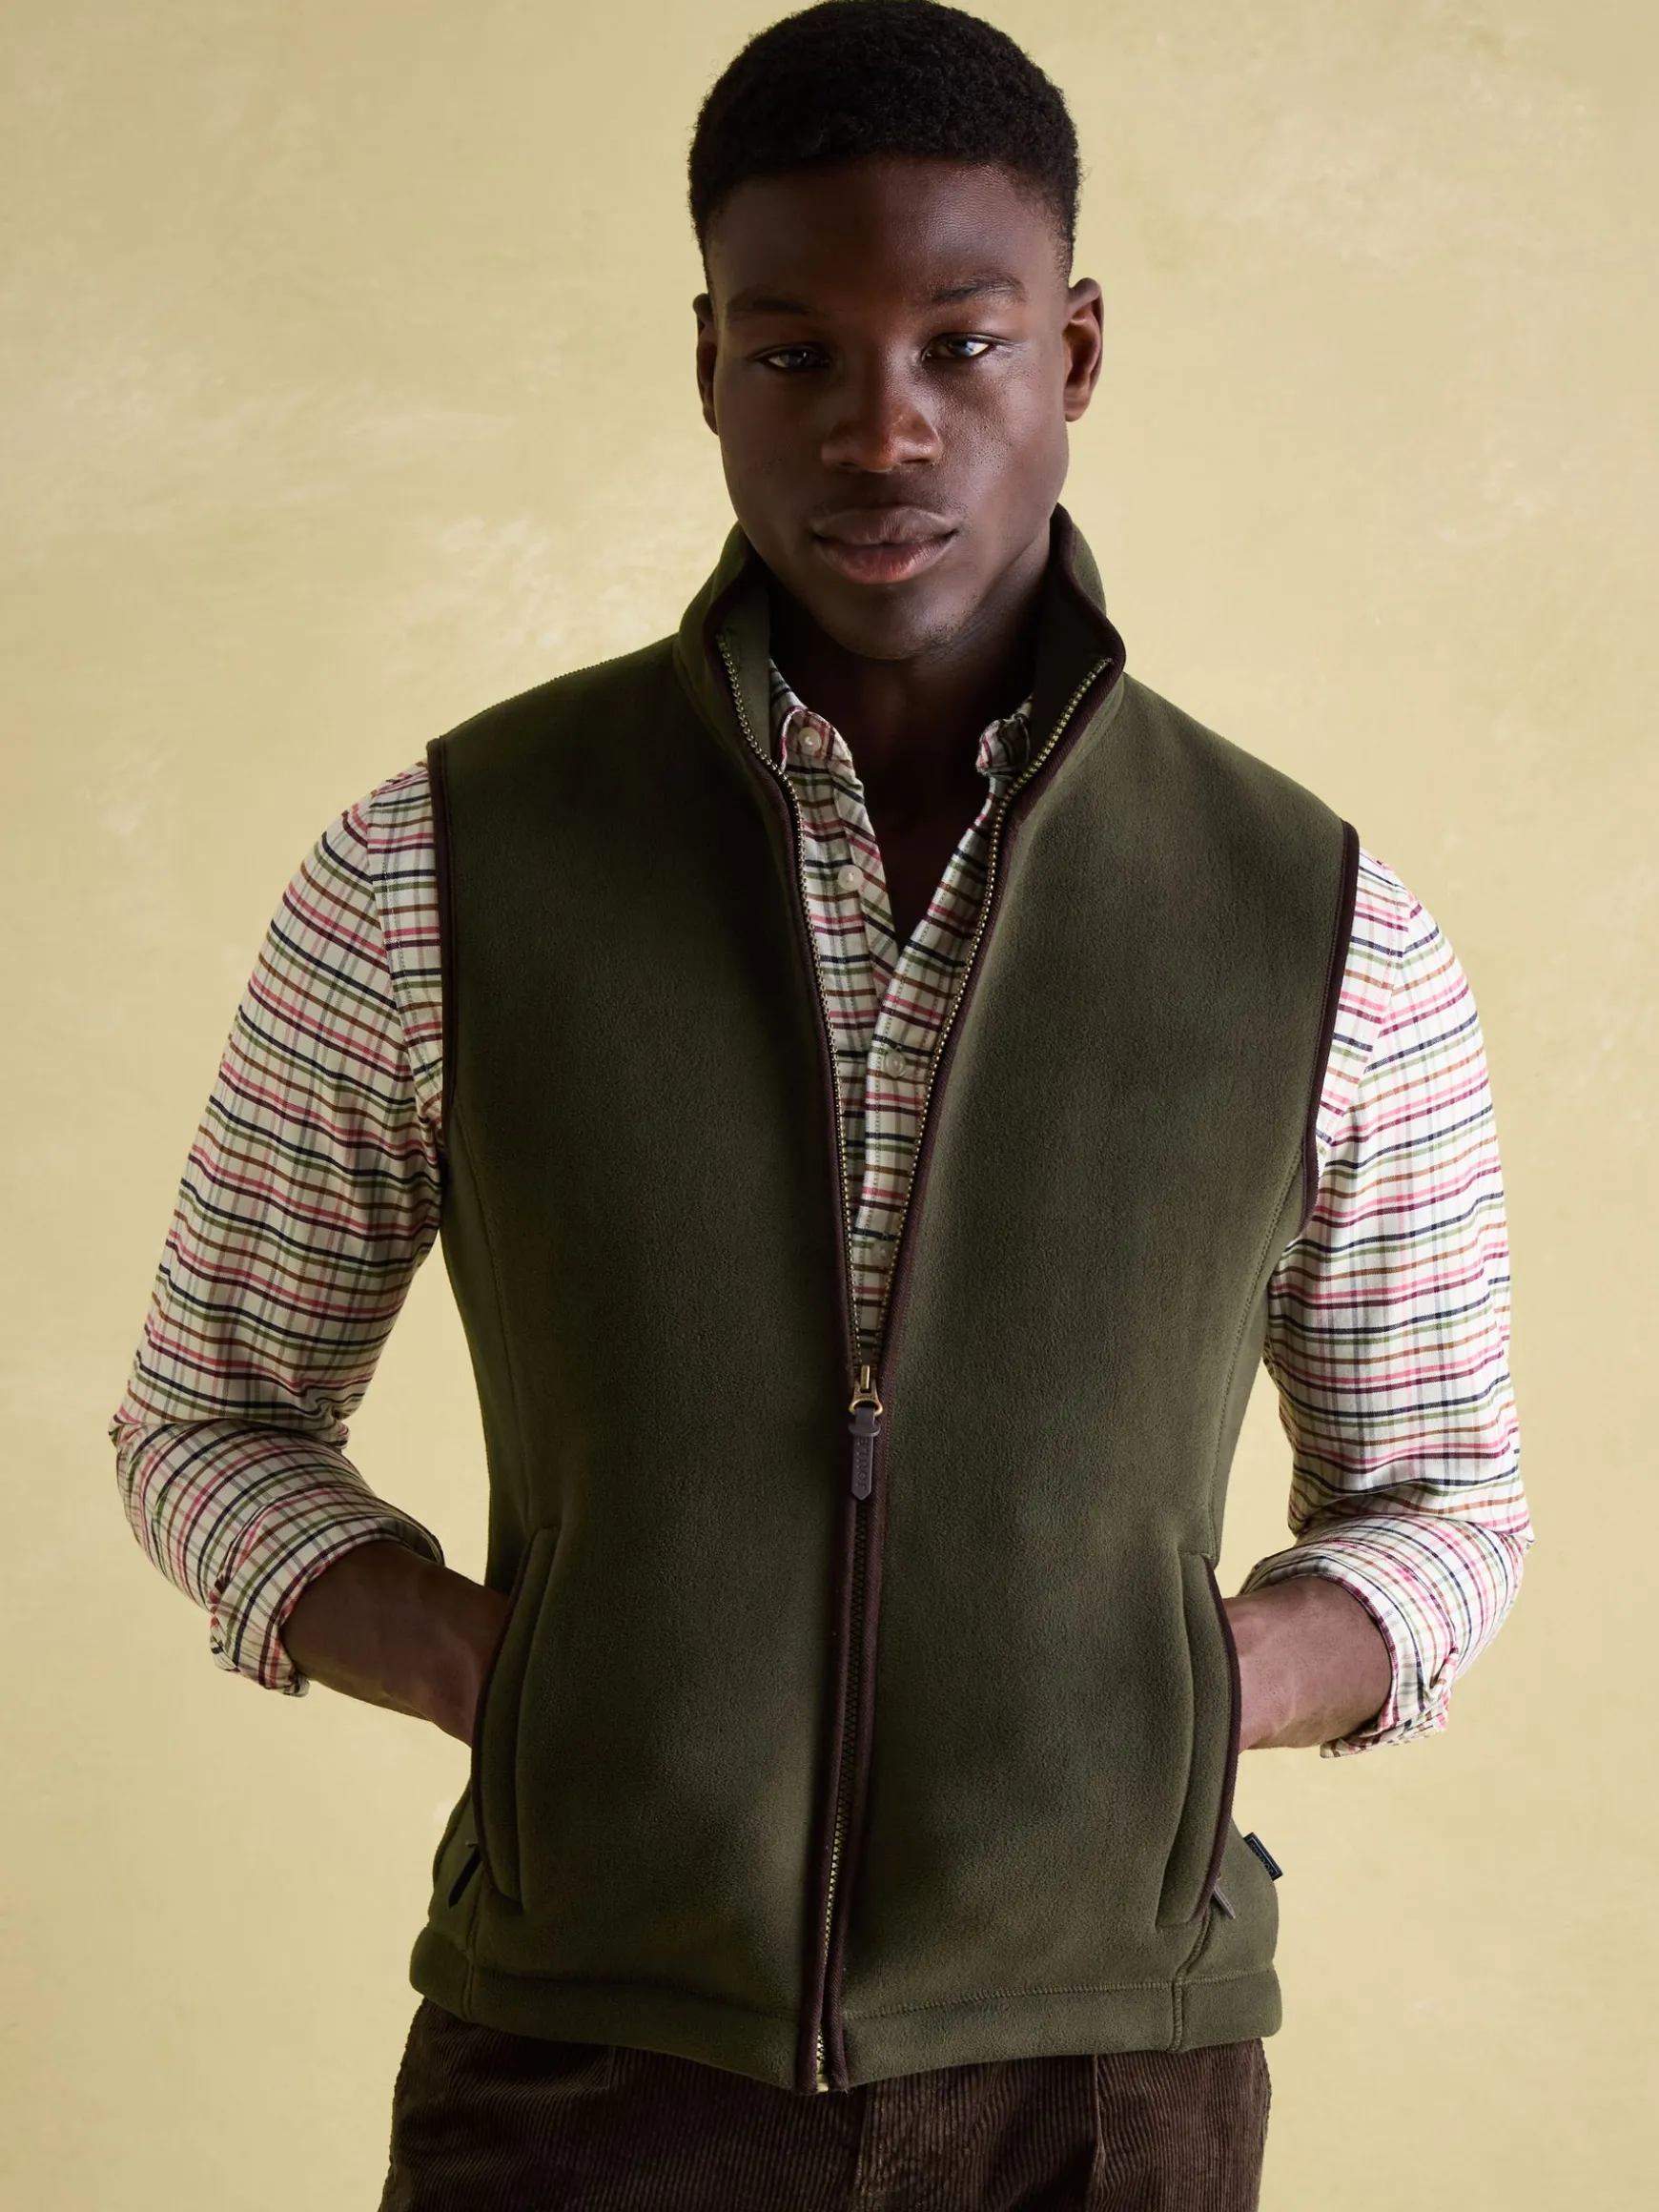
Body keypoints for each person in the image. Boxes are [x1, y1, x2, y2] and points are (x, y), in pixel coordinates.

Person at [111, 5, 1531, 2205]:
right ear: (708, 364)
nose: (885, 428)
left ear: (1074, 351)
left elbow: (1444, 1501)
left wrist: (1182, 1698)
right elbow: (207, 1415)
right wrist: (509, 1671)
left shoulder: (1325, 921)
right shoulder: (441, 865)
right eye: (797, 355)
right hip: (584, 2059)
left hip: (1107, 2091)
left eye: (963, 344)